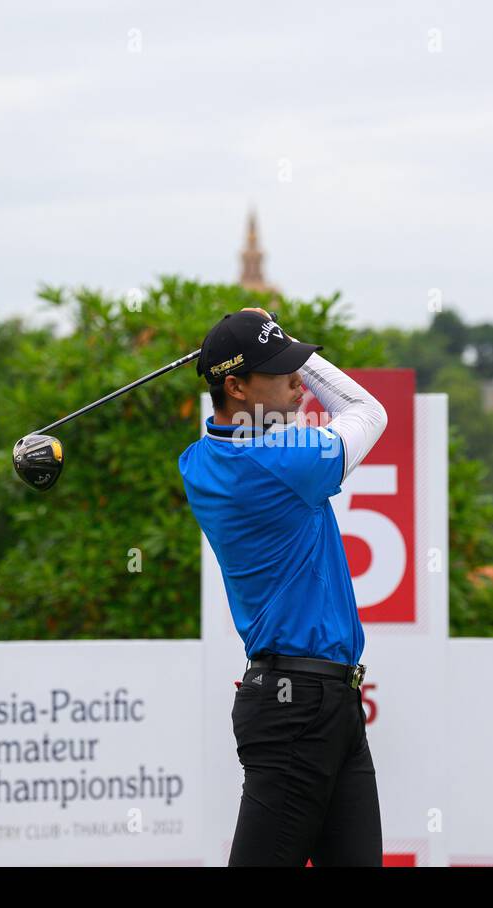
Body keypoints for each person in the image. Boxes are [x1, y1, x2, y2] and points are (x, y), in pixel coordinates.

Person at [177, 307, 389, 866]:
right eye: (282, 370)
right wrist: (298, 343)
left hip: (328, 702)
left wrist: (270, 344)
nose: (299, 380)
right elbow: (366, 410)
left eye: (297, 366)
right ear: (236, 385)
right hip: (297, 707)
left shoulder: (199, 461)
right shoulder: (283, 461)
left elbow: (239, 430)